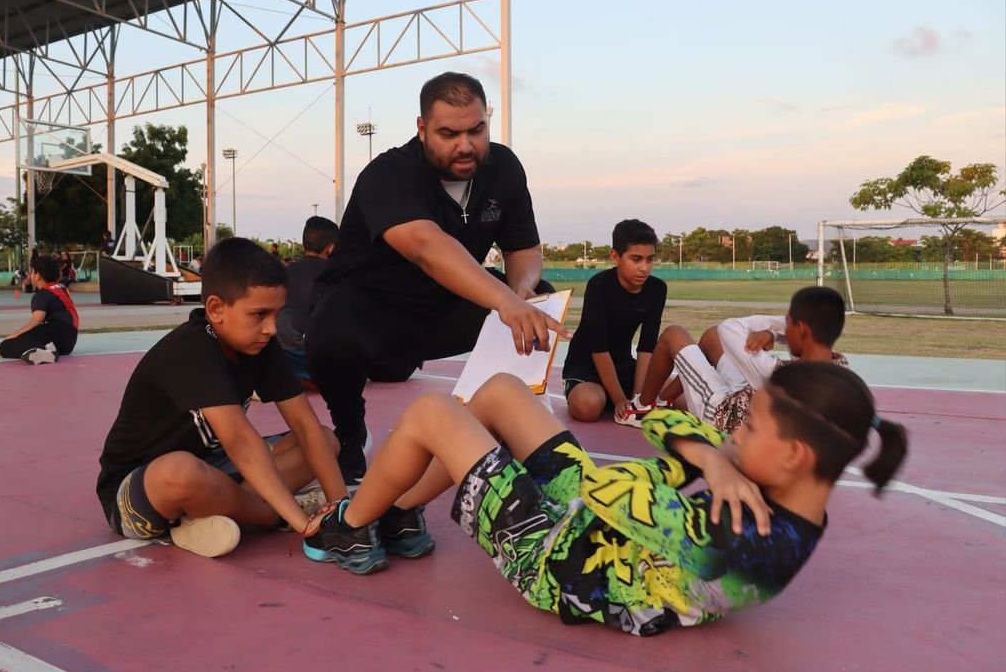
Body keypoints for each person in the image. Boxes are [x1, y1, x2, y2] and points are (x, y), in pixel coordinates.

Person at [303, 366, 907, 636]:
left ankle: (352, 526)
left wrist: (711, 461)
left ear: (795, 454)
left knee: (433, 412)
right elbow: (662, 421)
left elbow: (613, 488)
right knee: (501, 391)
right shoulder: (779, 491)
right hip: (594, 531)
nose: (735, 435)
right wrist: (713, 458)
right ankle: (403, 513)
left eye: (750, 429)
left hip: (556, 563)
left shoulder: (745, 542)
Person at [305, 71, 567, 484]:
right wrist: (503, 300)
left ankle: (520, 434)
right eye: (448, 133)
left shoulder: (504, 169)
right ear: (422, 129)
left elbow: (523, 249)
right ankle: (350, 433)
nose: (466, 145)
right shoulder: (388, 173)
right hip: (372, 311)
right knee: (326, 330)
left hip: (444, 308)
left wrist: (521, 290)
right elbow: (427, 248)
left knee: (538, 302)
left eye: (476, 130)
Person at [95, 237, 347, 558]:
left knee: (325, 440)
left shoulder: (260, 345)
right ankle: (266, 513)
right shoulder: (192, 348)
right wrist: (301, 522)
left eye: (276, 314)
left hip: (217, 468)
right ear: (216, 309)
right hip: (140, 489)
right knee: (180, 472)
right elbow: (241, 442)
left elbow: (304, 423)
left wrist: (343, 509)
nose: (271, 328)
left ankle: (211, 515)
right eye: (259, 314)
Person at [622, 286, 848, 433]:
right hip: (747, 397)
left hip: (722, 415)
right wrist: (779, 333)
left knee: (674, 334)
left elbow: (730, 328)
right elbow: (804, 344)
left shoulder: (778, 376)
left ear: (801, 329)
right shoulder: (839, 367)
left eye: (789, 322)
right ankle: (664, 402)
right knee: (711, 337)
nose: (784, 328)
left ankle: (640, 409)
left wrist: (774, 328)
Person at [562, 219, 667, 426]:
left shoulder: (657, 289)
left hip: (624, 366)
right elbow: (598, 348)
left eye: (650, 259)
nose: (644, 268)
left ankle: (619, 396)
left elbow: (647, 346)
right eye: (636, 259)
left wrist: (638, 400)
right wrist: (620, 400)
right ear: (615, 257)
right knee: (588, 406)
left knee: (681, 398)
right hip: (586, 367)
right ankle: (593, 394)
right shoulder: (599, 286)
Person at [276, 216, 339, 383]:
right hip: (313, 357)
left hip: (283, 353)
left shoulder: (283, 273)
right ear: (331, 248)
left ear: (304, 245)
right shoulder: (337, 275)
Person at [0, 254, 79, 364]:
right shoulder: (62, 288)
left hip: (56, 331)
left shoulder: (43, 294)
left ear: (37, 276)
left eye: (32, 272)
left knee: (6, 346)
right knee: (34, 335)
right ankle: (46, 349)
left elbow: (35, 322)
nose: (30, 275)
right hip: (69, 341)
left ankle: (44, 351)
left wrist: (10, 337)